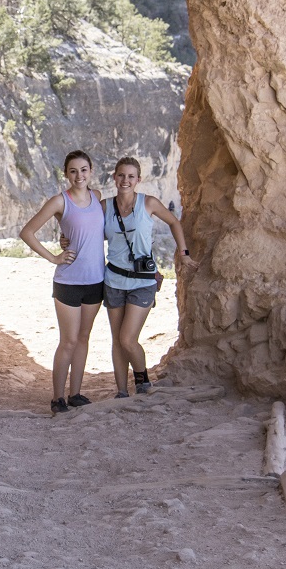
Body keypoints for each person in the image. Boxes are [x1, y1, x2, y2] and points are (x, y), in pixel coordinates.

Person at [103, 157, 199, 397]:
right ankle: (121, 391)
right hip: (113, 280)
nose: (125, 180)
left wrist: (184, 254)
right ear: (114, 177)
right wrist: (65, 238)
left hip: (142, 281)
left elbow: (174, 222)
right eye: (121, 175)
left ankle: (142, 380)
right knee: (117, 340)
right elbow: (84, 225)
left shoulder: (148, 203)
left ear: (138, 179)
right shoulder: (105, 207)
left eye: (131, 176)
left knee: (127, 338)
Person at [19, 150, 105, 414]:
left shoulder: (97, 197)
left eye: (83, 170)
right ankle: (58, 398)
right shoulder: (59, 201)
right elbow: (27, 232)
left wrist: (66, 237)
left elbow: (92, 231)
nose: (79, 176)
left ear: (91, 171)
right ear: (66, 174)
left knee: (83, 338)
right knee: (68, 341)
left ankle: (75, 394)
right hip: (68, 281)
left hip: (96, 280)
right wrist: (54, 257)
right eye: (73, 171)